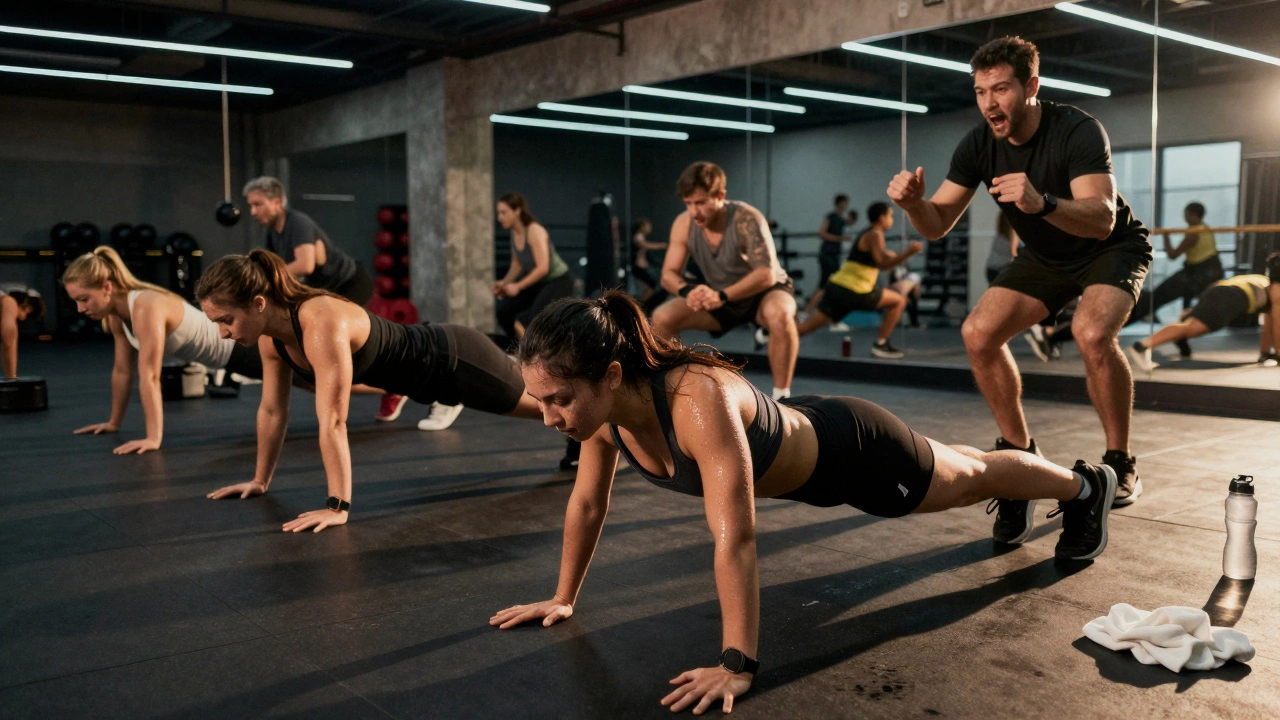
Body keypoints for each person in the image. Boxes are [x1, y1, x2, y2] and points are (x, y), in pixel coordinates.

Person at [491, 292, 1117, 714]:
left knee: (971, 476)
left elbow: (733, 536)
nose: (548, 418)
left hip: (856, 454)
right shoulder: (600, 418)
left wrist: (738, 664)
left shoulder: (694, 401)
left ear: (612, 376)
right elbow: (586, 505)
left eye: (559, 400)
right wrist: (563, 596)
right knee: (963, 465)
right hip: (808, 433)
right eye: (540, 400)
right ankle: (1030, 487)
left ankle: (1086, 485)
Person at [887, 36, 1152, 525]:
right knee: (978, 333)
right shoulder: (978, 145)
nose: (990, 102)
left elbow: (1103, 219)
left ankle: (1120, 458)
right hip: (1046, 255)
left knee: (1092, 333)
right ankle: (1020, 453)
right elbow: (937, 224)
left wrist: (1042, 203)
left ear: (1031, 86)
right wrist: (913, 205)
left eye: (1001, 89)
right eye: (981, 91)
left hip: (1109, 249)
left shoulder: (1077, 130)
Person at [195, 250, 544, 532]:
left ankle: (594, 425)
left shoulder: (319, 321)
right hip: (427, 382)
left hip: (453, 360)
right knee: (551, 408)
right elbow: (272, 411)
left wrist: (338, 507)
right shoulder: (273, 340)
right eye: (217, 324)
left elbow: (333, 421)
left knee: (549, 410)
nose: (223, 334)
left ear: (258, 303)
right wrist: (259, 480)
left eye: (227, 320)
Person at [62, 246, 264, 454]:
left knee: (299, 375)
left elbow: (150, 376)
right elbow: (122, 371)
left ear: (106, 287)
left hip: (243, 348)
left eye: (84, 299)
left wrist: (153, 438)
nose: (80, 309)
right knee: (299, 379)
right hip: (231, 361)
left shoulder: (146, 307)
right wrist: (113, 422)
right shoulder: (116, 318)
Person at [242, 177, 393, 419]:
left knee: (342, 352)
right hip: (325, 293)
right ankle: (391, 388)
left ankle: (396, 387)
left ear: (277, 202)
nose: (253, 211)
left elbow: (305, 264)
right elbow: (275, 270)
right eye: (251, 205)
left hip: (350, 284)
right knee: (320, 363)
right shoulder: (272, 233)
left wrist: (264, 282)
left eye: (258, 204)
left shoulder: (297, 223)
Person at [652, 161, 798, 401]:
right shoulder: (684, 224)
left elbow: (766, 274)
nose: (694, 211)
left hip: (763, 293)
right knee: (663, 317)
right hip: (721, 296)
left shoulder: (746, 218)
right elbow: (668, 274)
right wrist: (687, 290)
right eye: (688, 203)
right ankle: (670, 393)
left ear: (720, 195)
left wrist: (721, 295)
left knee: (780, 314)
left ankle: (784, 398)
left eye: (700, 203)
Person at [795, 203, 922, 358]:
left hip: (837, 287)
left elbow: (880, 256)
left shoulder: (868, 233)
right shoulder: (875, 234)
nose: (891, 220)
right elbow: (883, 264)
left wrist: (896, 255)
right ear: (881, 217)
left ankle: (771, 334)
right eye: (890, 216)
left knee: (806, 328)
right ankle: (881, 345)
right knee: (898, 301)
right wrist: (908, 253)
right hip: (856, 290)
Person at [1127, 257, 1280, 372]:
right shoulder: (1277, 290)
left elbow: (1268, 324)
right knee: (1193, 328)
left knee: (1191, 325)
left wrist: (1265, 354)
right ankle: (1142, 346)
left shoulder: (1263, 281)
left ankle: (1183, 324)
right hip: (1231, 297)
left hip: (1218, 289)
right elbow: (1277, 326)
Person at [493, 192, 575, 344]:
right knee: (503, 311)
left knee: (537, 317)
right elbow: (517, 265)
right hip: (539, 281)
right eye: (499, 213)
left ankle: (538, 352)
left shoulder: (533, 230)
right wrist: (504, 284)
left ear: (517, 211)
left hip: (558, 280)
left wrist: (517, 286)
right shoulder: (514, 233)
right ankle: (521, 346)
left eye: (504, 212)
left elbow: (542, 267)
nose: (500, 217)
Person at [1144, 202, 1224, 323]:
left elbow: (1173, 255)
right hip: (1206, 272)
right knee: (1181, 294)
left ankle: (1146, 311)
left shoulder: (1194, 233)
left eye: (1187, 214)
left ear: (1194, 215)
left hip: (1199, 274)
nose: (1185, 217)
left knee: (1163, 293)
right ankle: (1183, 320)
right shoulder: (1205, 228)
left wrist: (1166, 236)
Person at [802, 195, 855, 321]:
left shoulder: (842, 219)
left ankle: (826, 316)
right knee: (825, 286)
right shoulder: (830, 217)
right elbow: (821, 233)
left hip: (835, 256)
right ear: (840, 203)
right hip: (827, 255)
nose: (846, 205)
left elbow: (850, 223)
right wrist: (839, 239)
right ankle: (807, 313)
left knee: (832, 287)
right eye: (844, 203)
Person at [0, 285, 45, 379]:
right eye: (28, 315)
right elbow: (9, 341)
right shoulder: (9, 302)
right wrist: (11, 377)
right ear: (27, 307)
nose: (23, 319)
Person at [629, 218, 667, 308]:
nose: (649, 228)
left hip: (642, 267)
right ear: (641, 227)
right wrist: (661, 246)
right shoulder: (638, 236)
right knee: (651, 283)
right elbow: (643, 245)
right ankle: (640, 304)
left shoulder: (641, 237)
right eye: (647, 226)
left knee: (651, 284)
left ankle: (641, 303)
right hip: (638, 267)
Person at [987, 212, 1020, 285]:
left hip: (991, 269)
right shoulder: (1011, 237)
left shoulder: (998, 236)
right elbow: (1014, 253)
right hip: (1002, 270)